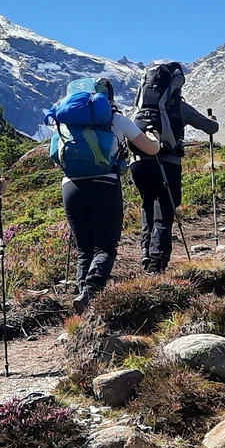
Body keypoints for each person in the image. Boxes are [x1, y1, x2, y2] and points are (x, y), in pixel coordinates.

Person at [42, 78, 161, 312]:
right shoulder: (115, 119)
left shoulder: (64, 122)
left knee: (84, 247)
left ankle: (81, 294)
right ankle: (92, 291)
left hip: (71, 187)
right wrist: (154, 136)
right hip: (105, 184)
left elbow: (56, 156)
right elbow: (150, 149)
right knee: (105, 246)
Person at [129, 63, 219, 274]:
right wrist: (213, 121)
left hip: (138, 162)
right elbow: (210, 128)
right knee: (165, 209)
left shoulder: (139, 108)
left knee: (147, 203)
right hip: (168, 162)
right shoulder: (177, 106)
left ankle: (145, 251)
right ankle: (157, 263)